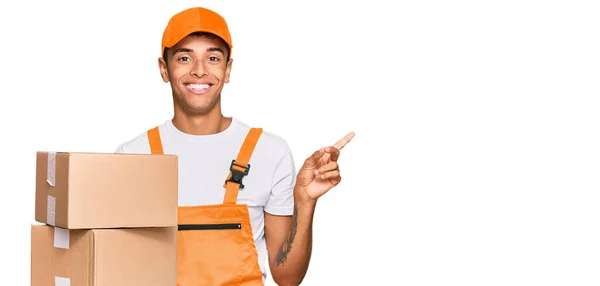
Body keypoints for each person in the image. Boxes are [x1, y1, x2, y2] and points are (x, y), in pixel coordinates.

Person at [114, 6, 354, 286]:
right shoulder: (132, 156)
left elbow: (287, 277)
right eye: (184, 57)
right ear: (164, 69)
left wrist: (304, 201)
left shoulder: (269, 152)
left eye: (213, 58)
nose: (200, 71)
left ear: (227, 70)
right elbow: (119, 267)